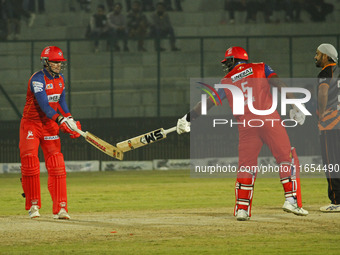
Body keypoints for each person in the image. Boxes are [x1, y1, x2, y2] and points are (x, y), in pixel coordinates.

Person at [176, 46, 308, 221]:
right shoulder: (261, 67)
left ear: (233, 60)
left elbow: (209, 103)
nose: (226, 65)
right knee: (285, 158)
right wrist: (296, 105)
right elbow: (279, 84)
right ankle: (290, 200)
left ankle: (242, 209)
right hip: (269, 119)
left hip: (246, 125)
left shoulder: (226, 81)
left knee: (246, 166)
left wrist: (188, 117)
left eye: (227, 61)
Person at [19, 46, 81, 219]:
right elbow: (45, 105)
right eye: (55, 62)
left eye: (60, 62)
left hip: (50, 125)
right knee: (30, 163)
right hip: (31, 124)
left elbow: (61, 102)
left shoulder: (60, 79)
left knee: (57, 164)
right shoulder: (37, 79)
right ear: (46, 62)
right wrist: (61, 120)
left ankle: (61, 208)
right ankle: (33, 206)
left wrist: (71, 120)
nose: (58, 65)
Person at [314, 43, 340, 212]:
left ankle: (336, 201)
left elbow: (323, 92)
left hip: (331, 124)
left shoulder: (326, 71)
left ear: (326, 56)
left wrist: (322, 114)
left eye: (318, 54)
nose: (315, 57)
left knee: (331, 162)